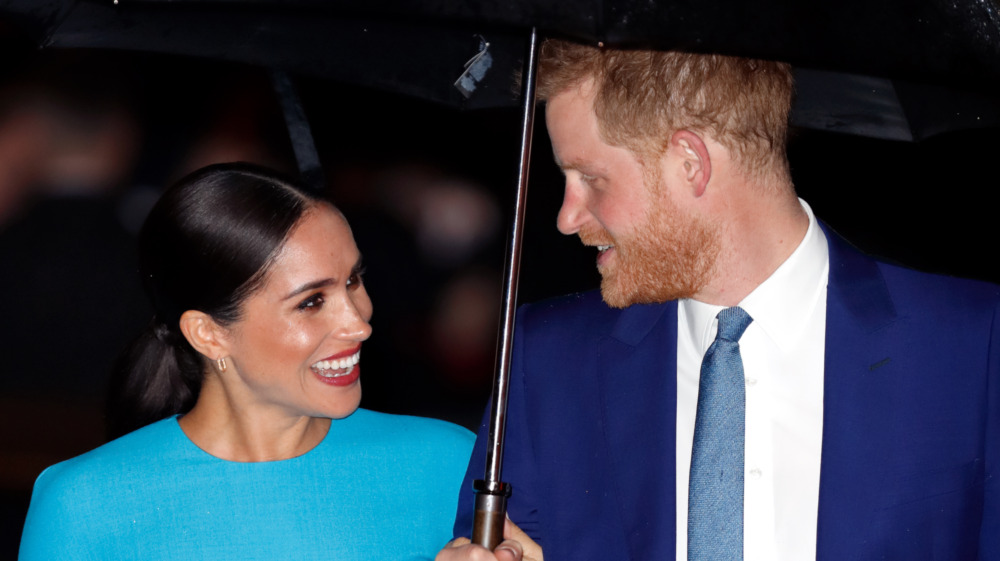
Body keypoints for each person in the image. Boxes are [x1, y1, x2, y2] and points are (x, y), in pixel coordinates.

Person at [440, 40, 1000, 560]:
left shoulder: (972, 344)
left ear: (690, 162)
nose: (567, 218)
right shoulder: (546, 362)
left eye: (590, 178)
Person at [18, 163, 474, 560]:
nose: (358, 324)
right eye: (312, 301)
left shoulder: (451, 462)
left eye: (353, 280)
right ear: (209, 333)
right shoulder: (85, 504)